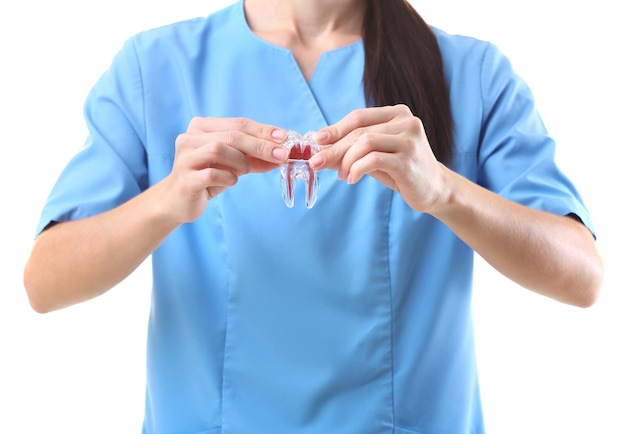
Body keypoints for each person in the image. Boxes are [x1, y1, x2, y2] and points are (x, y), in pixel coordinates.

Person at [23, 0, 603, 432]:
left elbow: (581, 274)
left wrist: (444, 191)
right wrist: (167, 199)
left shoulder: (471, 73)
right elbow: (45, 282)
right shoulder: (156, 68)